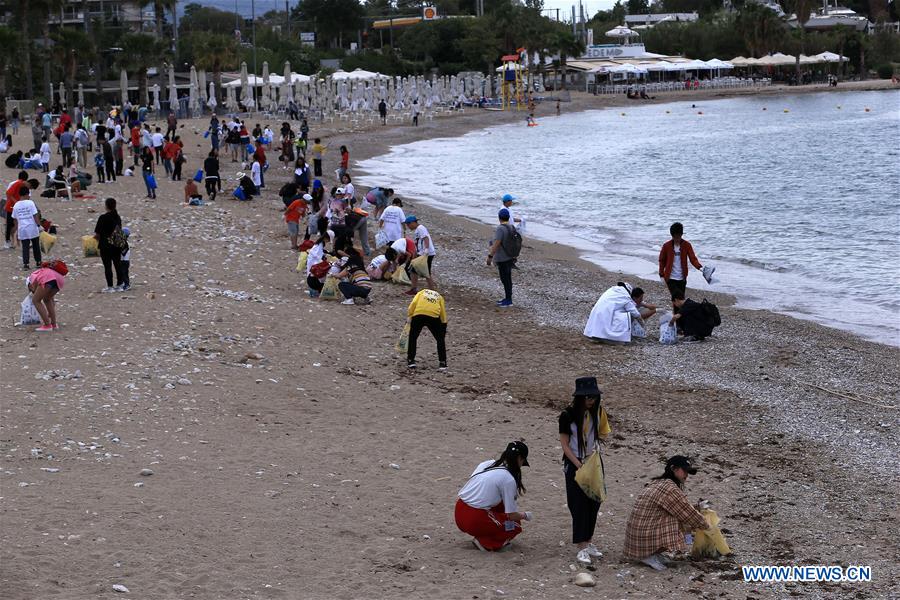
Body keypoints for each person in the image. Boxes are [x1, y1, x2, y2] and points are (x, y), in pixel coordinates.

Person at [558, 376, 611, 565]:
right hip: (575, 462)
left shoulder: (598, 411)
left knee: (594, 502)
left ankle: (588, 541)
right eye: (588, 397)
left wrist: (594, 450)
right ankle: (581, 546)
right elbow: (565, 445)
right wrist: (579, 465)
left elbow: (603, 433)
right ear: (579, 397)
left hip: (593, 461)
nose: (591, 400)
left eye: (594, 397)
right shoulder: (567, 415)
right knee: (578, 504)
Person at [623, 456, 710, 571]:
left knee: (676, 516)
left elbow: (682, 508)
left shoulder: (658, 483)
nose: (686, 475)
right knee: (675, 520)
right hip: (642, 539)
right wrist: (708, 527)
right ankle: (646, 555)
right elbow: (687, 513)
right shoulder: (670, 489)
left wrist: (698, 507)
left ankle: (652, 553)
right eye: (684, 471)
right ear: (673, 469)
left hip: (637, 539)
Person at [455, 441, 532, 551]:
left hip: (459, 510)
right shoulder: (508, 479)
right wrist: (525, 515)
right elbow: (512, 515)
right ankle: (485, 542)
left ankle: (485, 533)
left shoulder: (487, 464)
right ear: (520, 459)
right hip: (474, 518)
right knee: (515, 526)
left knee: (501, 507)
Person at [583, 283, 649, 344]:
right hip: (606, 314)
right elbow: (634, 312)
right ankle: (614, 338)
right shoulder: (625, 296)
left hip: (597, 312)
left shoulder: (612, 290)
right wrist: (641, 322)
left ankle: (596, 335)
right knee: (626, 316)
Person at [658, 222, 705, 300]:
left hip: (682, 278)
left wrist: (700, 268)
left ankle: (677, 308)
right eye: (675, 237)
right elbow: (661, 260)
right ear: (672, 235)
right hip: (670, 278)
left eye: (678, 236)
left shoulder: (687, 245)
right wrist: (661, 274)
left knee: (681, 299)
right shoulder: (666, 246)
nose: (677, 239)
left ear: (681, 234)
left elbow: (693, 259)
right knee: (676, 299)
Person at [406, 288, 447, 369]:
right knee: (440, 339)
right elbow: (442, 312)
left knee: (413, 337)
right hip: (433, 315)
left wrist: (410, 315)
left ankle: (411, 360)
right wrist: (444, 325)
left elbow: (413, 304)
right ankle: (442, 362)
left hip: (419, 313)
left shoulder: (421, 292)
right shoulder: (439, 296)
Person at [94, 197, 127, 292]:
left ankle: (110, 286)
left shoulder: (103, 217)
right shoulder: (117, 217)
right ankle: (120, 284)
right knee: (117, 265)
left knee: (107, 266)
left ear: (106, 206)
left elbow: (97, 233)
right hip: (116, 244)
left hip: (105, 245)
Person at [486, 209, 517, 307]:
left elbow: (497, 243)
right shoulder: (511, 227)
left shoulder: (500, 228)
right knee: (507, 278)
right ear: (508, 217)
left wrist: (490, 256)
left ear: (499, 218)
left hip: (502, 258)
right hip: (510, 256)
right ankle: (508, 298)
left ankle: (508, 300)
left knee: (505, 279)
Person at [28, 262, 67, 331]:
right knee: (47, 299)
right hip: (59, 279)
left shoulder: (32, 278)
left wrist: (34, 292)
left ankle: (47, 325)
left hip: (48, 278)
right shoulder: (43, 272)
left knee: (36, 300)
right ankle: (54, 324)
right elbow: (52, 301)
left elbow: (36, 291)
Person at [404, 216, 435, 295]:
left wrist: (426, 249)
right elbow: (417, 245)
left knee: (426, 273)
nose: (408, 227)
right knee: (413, 270)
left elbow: (426, 238)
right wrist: (414, 257)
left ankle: (433, 292)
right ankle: (414, 289)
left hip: (427, 254)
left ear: (412, 223)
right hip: (421, 253)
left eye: (408, 225)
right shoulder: (417, 230)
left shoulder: (421, 228)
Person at [12, 187, 41, 269]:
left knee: (25, 247)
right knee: (36, 245)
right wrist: (39, 225)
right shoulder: (30, 203)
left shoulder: (16, 205)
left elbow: (15, 219)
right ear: (27, 194)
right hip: (32, 227)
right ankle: (38, 262)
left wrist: (17, 230)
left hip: (22, 229)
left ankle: (26, 264)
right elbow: (35, 215)